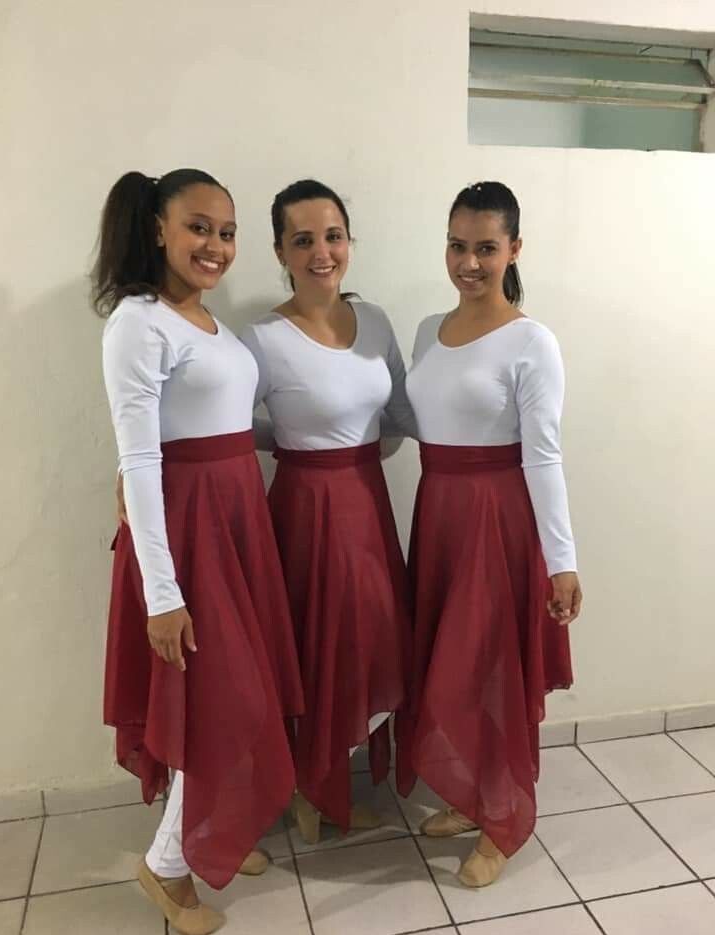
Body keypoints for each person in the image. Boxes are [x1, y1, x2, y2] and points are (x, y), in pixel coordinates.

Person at [94, 169, 303, 935]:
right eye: (198, 228)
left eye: (226, 231)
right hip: (187, 541)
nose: (215, 245)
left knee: (234, 694)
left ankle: (215, 822)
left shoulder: (206, 324)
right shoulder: (137, 322)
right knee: (213, 701)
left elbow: (224, 426)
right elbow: (141, 459)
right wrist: (162, 593)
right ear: (158, 228)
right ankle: (167, 866)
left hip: (234, 526)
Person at [396, 181, 582, 887]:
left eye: (485, 248)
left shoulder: (532, 341)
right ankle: (472, 795)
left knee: (492, 667)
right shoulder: (425, 331)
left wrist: (560, 561)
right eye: (457, 245)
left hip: (498, 519)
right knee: (450, 663)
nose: (468, 262)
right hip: (437, 509)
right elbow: (410, 420)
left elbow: (545, 455)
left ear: (513, 250)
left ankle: (505, 819)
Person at [239, 179, 416, 843]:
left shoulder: (375, 321)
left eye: (333, 235)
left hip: (368, 502)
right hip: (306, 512)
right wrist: (289, 441)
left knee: (369, 640)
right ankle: (308, 792)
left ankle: (326, 779)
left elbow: (397, 414)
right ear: (281, 250)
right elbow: (227, 429)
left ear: (349, 241)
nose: (322, 251)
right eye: (304, 239)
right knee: (315, 648)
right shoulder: (261, 337)